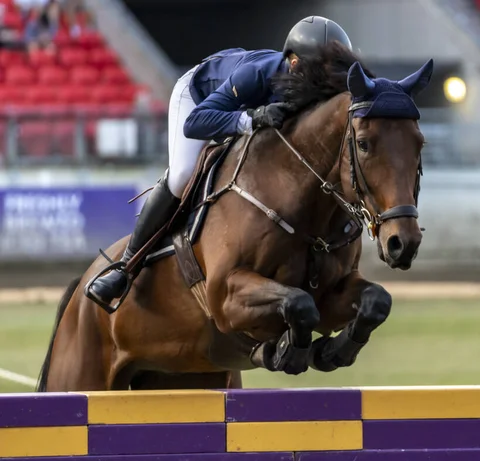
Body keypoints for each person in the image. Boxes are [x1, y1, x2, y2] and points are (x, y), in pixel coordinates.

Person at [86, 15, 353, 307]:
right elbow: (196, 122)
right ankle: (126, 266)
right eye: (322, 73)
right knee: (182, 175)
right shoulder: (258, 74)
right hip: (198, 97)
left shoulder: (321, 85)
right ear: (294, 64)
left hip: (242, 114)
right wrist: (251, 118)